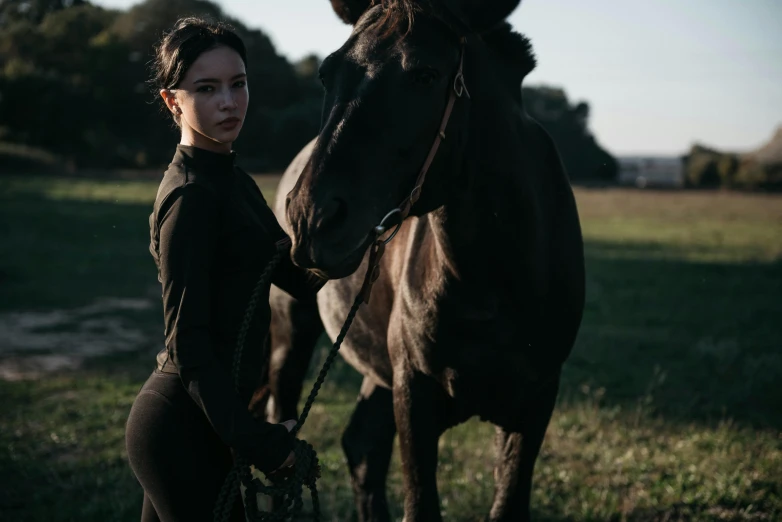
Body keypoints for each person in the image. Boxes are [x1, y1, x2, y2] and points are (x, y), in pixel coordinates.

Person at [124, 17, 325, 522]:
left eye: (238, 84)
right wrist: (261, 442)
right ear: (174, 102)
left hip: (216, 422)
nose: (229, 102)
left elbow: (295, 278)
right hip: (179, 427)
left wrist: (363, 243)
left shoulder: (234, 182)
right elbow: (189, 349)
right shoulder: (190, 198)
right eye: (207, 89)